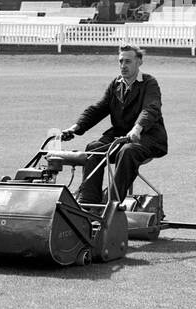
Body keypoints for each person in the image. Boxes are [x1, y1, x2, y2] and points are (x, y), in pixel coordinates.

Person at [60, 44, 167, 205]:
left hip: (148, 137)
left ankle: (111, 203)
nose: (123, 66)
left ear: (139, 62)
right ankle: (89, 203)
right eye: (121, 61)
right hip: (121, 136)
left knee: (127, 151)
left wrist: (137, 128)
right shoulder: (116, 84)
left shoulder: (149, 83)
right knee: (92, 149)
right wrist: (75, 128)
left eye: (128, 61)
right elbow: (99, 109)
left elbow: (150, 109)